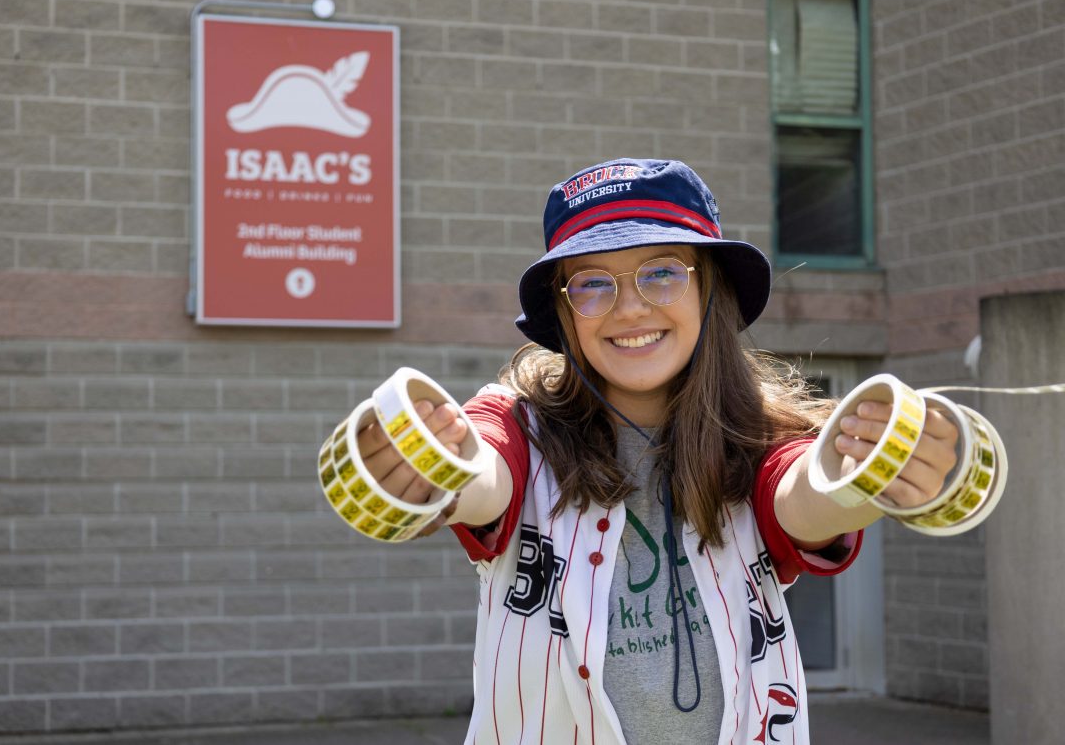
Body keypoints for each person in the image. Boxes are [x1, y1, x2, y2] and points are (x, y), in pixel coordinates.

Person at [353, 158, 959, 744]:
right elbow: (485, 472)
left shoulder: (759, 440)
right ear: (564, 311)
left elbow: (804, 494)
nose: (630, 307)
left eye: (663, 271)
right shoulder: (518, 425)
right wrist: (442, 466)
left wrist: (858, 473)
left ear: (709, 290)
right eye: (592, 283)